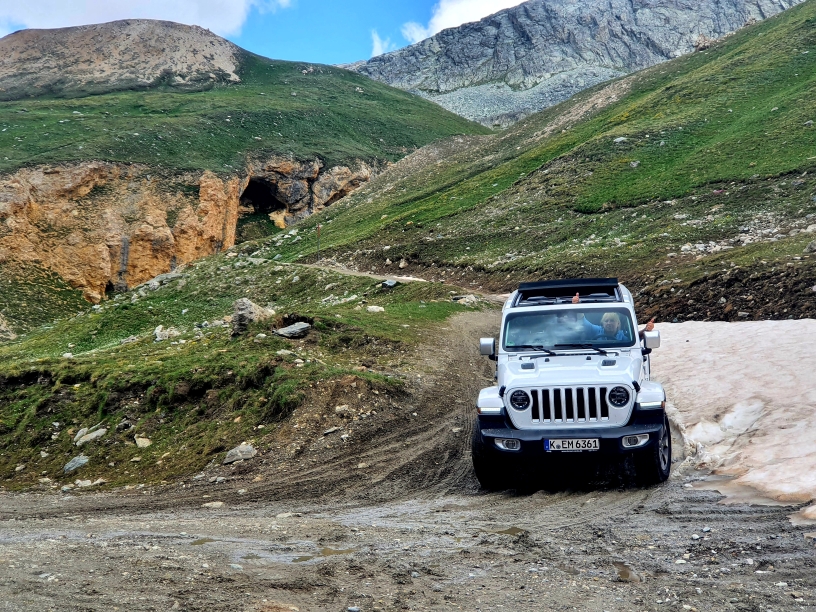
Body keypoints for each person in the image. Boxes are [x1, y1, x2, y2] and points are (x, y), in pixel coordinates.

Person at [572, 293, 655, 341]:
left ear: (618, 323)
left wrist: (646, 329)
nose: (609, 323)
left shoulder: (624, 336)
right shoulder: (595, 330)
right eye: (606, 321)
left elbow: (636, 338)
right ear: (602, 323)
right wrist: (576, 306)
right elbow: (582, 319)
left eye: (612, 320)